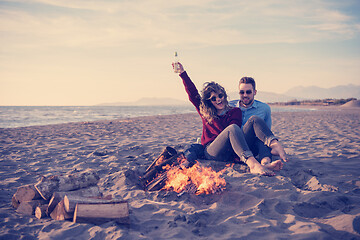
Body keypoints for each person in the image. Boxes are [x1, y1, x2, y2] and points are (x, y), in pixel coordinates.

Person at [173, 62, 287, 176]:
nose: (218, 100)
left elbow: (236, 133)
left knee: (254, 119)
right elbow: (193, 93)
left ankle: (273, 147)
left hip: (231, 151)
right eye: (213, 98)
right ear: (209, 101)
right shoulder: (206, 113)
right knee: (232, 128)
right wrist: (182, 73)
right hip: (213, 151)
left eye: (220, 96)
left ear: (224, 96)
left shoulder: (234, 111)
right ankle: (253, 165)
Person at [230, 77, 286, 170]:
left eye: (248, 92)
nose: (245, 95)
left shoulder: (264, 108)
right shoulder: (230, 106)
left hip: (251, 146)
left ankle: (266, 163)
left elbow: (265, 132)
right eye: (241, 92)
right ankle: (275, 146)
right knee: (254, 119)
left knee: (263, 139)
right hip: (234, 146)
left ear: (255, 92)